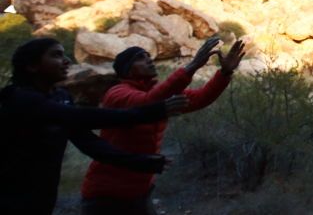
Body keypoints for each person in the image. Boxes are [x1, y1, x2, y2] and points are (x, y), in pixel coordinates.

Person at [0, 37, 188, 215]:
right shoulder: (19, 99)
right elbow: (82, 117)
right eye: (56, 55)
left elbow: (88, 142)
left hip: (42, 196)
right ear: (32, 66)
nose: (66, 61)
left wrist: (137, 161)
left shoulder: (61, 97)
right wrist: (153, 111)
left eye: (64, 54)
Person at [80, 37, 245, 215]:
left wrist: (225, 73)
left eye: (148, 56)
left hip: (139, 192)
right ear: (127, 70)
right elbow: (147, 103)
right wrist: (194, 65)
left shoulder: (158, 92)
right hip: (106, 195)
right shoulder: (117, 93)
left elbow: (200, 98)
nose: (149, 60)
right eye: (141, 58)